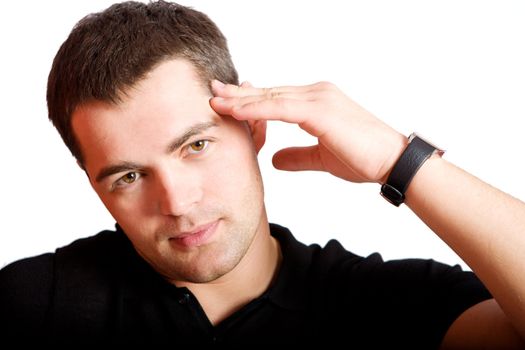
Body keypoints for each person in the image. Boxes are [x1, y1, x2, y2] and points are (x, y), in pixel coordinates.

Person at [1, 1, 524, 347]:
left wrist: (398, 161)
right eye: (129, 177)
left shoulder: (378, 304)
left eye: (196, 145)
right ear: (93, 183)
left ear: (253, 126)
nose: (177, 202)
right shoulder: (32, 305)